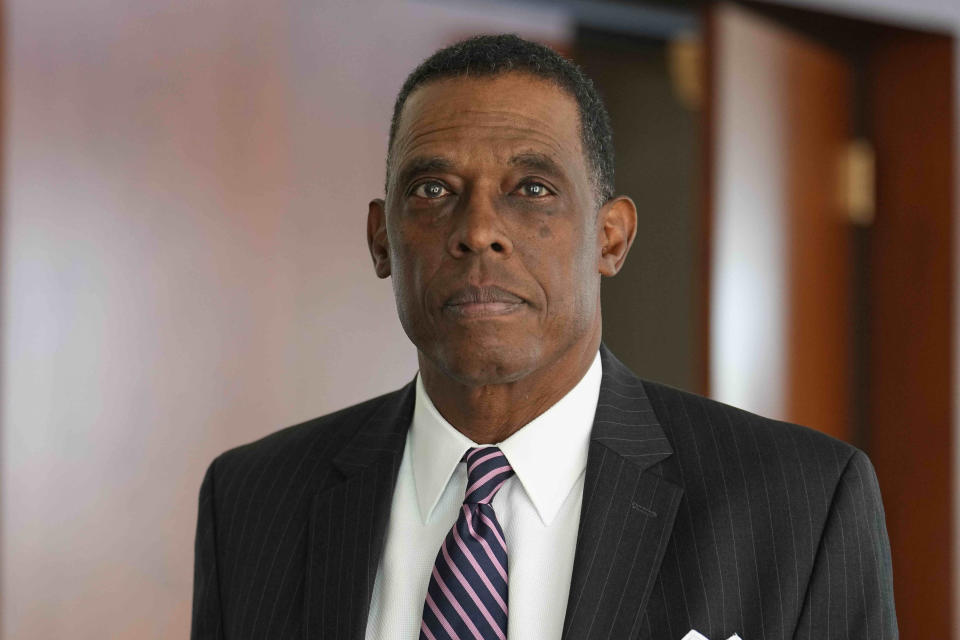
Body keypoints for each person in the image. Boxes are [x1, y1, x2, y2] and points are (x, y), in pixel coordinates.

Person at [191, 34, 897, 640]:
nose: (477, 231)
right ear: (382, 240)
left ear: (611, 238)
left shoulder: (799, 503)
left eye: (531, 189)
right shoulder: (252, 501)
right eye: (434, 189)